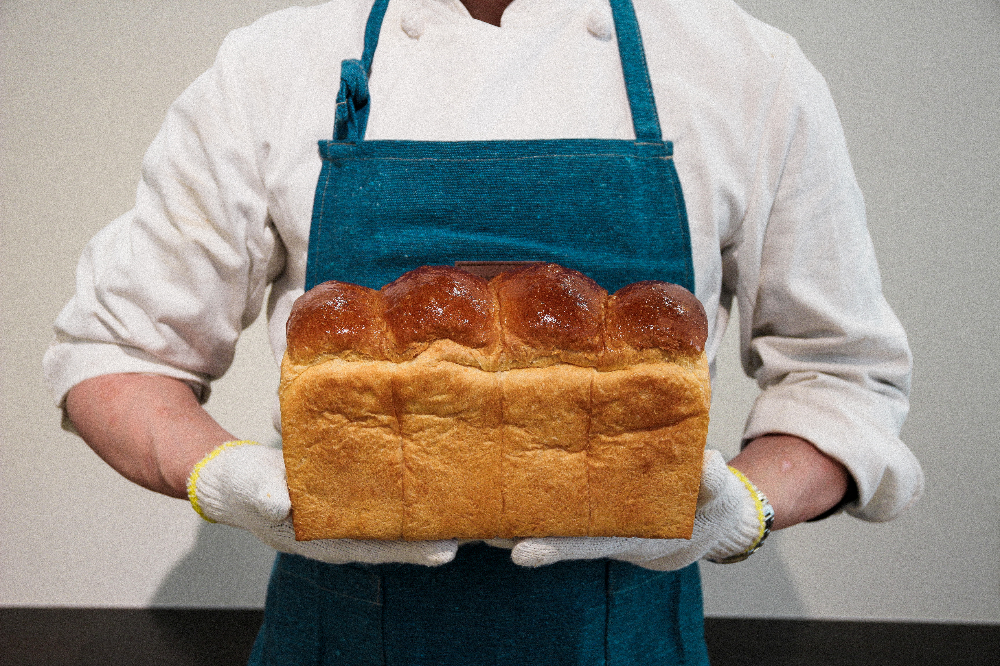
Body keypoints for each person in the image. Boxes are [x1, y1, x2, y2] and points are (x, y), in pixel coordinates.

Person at [43, 0, 923, 663]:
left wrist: (745, 506)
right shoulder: (276, 64)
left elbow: (842, 377)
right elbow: (113, 353)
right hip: (336, 643)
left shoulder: (741, 68)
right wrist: (223, 476)